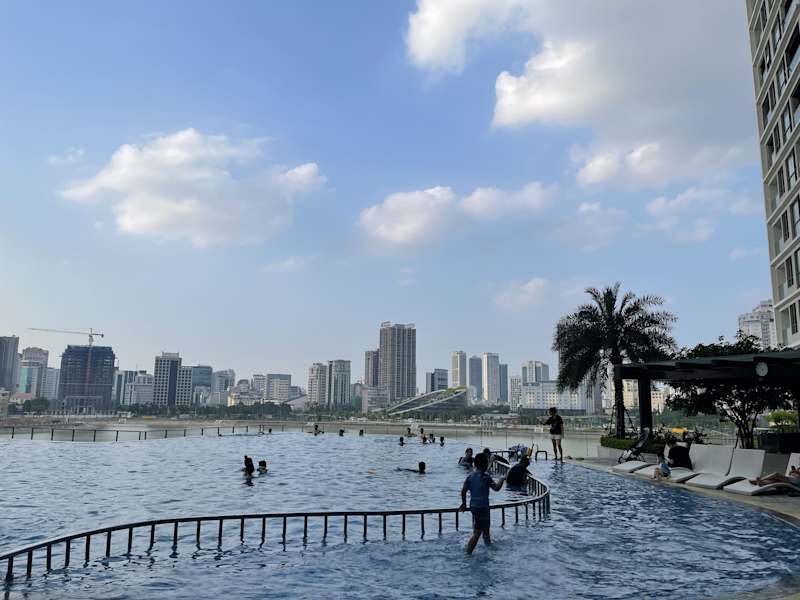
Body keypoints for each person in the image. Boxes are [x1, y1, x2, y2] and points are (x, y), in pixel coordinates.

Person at [460, 452, 504, 555]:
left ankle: (488, 546)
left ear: (475, 464)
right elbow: (496, 488)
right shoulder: (486, 477)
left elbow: (463, 491)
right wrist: (502, 479)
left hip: (474, 506)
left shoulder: (470, 477)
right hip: (482, 508)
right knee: (477, 532)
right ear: (485, 464)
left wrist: (464, 503)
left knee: (486, 528)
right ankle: (468, 554)